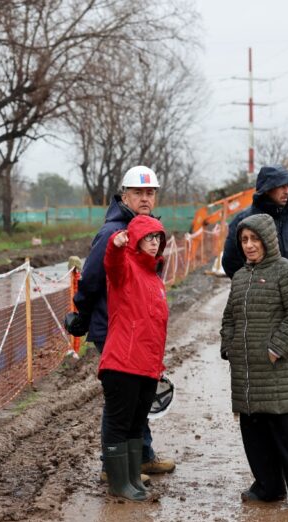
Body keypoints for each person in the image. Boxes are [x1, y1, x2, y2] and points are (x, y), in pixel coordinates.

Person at [67, 165, 177, 476]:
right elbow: (91, 279)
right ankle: (112, 466)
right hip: (113, 327)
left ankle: (141, 455)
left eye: (150, 193)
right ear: (124, 195)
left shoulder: (146, 228)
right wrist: (82, 315)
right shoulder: (112, 233)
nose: (145, 198)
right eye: (138, 192)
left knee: (139, 396)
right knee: (122, 399)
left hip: (136, 328)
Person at [220, 214, 288, 513]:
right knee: (255, 435)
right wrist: (228, 345)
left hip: (280, 370)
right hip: (247, 373)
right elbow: (229, 317)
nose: (249, 245)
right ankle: (268, 487)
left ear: (268, 240)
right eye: (244, 240)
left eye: (255, 239)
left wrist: (275, 348)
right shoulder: (240, 277)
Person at [221, 165, 288, 439]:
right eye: (281, 186)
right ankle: (265, 423)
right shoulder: (245, 219)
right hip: (262, 305)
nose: (287, 191)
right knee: (263, 365)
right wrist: (255, 285)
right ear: (266, 189)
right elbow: (231, 262)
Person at [98, 214, 169, 500]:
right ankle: (119, 484)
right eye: (148, 238)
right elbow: (112, 264)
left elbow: (155, 327)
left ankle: (132, 479)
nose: (154, 243)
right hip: (123, 364)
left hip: (147, 367)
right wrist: (115, 245)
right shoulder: (125, 268)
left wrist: (158, 366)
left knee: (137, 423)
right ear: (136, 240)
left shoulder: (154, 278)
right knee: (119, 422)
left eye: (158, 238)